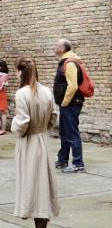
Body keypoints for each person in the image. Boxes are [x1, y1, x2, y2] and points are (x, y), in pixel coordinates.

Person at [11, 57, 60, 228]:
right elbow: (54, 116)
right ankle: (42, 220)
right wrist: (43, 127)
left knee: (31, 182)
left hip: (29, 141)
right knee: (42, 184)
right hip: (43, 140)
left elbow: (22, 122)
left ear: (20, 72)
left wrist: (15, 127)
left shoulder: (21, 93)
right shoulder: (46, 91)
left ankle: (35, 215)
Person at [53, 39, 86, 173]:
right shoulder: (66, 61)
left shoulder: (70, 62)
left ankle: (78, 163)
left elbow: (72, 86)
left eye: (56, 45)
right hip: (68, 104)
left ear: (62, 49)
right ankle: (62, 159)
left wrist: (65, 102)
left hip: (71, 103)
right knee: (64, 132)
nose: (54, 47)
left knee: (72, 133)